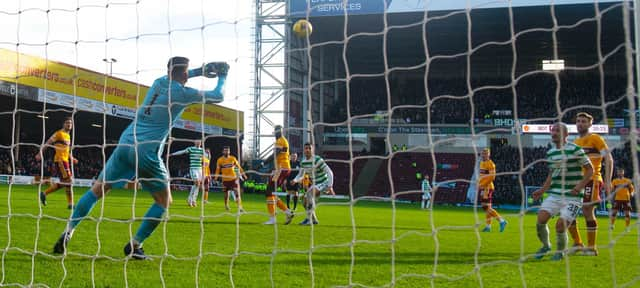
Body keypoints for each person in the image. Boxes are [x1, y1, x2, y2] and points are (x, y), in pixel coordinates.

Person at [51, 57, 229, 259]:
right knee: (164, 201)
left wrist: (201, 71)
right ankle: (135, 245)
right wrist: (223, 75)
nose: (189, 75)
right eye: (187, 73)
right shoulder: (181, 93)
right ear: (182, 73)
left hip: (126, 141)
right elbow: (218, 95)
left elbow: (180, 74)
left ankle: (68, 231)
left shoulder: (159, 82)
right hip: (146, 151)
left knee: (97, 190)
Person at [532, 122, 593, 261]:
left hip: (573, 196)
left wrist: (579, 186)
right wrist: (542, 190)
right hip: (555, 194)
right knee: (540, 220)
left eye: (557, 131)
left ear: (566, 134)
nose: (554, 133)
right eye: (552, 131)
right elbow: (552, 174)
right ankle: (546, 245)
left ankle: (560, 252)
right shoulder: (551, 152)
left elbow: (590, 170)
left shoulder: (575, 149)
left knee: (560, 226)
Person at [569, 112, 614, 255]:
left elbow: (609, 159)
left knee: (587, 210)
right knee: (568, 212)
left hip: (592, 179)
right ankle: (577, 243)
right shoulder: (575, 142)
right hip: (577, 181)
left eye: (583, 121)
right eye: (578, 121)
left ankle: (591, 248)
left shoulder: (595, 138)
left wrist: (607, 181)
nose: (580, 123)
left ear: (590, 124)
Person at [36, 117, 79, 209]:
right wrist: (40, 153)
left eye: (70, 123)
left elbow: (66, 151)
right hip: (60, 161)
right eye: (67, 123)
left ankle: (69, 204)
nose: (69, 125)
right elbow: (47, 143)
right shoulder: (59, 134)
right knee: (69, 181)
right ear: (63, 124)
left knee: (66, 182)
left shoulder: (68, 136)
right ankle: (69, 203)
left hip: (65, 161)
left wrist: (72, 158)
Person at [292, 143, 335, 225]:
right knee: (304, 201)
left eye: (309, 148)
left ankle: (308, 220)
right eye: (306, 148)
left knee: (309, 193)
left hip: (324, 183)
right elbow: (300, 175)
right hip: (315, 185)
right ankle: (314, 219)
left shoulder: (318, 160)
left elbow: (329, 172)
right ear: (304, 150)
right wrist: (295, 180)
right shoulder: (303, 162)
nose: (307, 150)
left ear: (312, 150)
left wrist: (330, 186)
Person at [263, 125, 295, 225]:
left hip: (282, 168)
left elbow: (275, 154)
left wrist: (263, 163)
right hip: (282, 169)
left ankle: (273, 218)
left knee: (269, 191)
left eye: (279, 131)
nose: (277, 133)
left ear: (281, 132)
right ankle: (288, 212)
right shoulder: (283, 140)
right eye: (277, 131)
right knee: (271, 192)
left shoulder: (280, 141)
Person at [477, 148, 507, 232]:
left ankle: (502, 221)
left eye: (485, 153)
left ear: (488, 155)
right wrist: (479, 183)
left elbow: (492, 177)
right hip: (483, 186)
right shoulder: (482, 163)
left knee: (485, 206)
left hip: (487, 187)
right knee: (487, 208)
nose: (483, 155)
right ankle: (488, 226)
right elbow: (482, 175)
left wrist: (482, 184)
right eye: (482, 153)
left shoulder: (491, 164)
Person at [170, 140, 205, 207]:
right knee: (197, 182)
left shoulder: (202, 150)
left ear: (201, 143)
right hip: (193, 169)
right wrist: (172, 154)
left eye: (199, 142)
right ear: (194, 143)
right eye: (197, 142)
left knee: (198, 184)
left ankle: (193, 200)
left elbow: (207, 157)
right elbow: (182, 152)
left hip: (200, 169)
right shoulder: (191, 148)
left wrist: (208, 155)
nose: (198, 143)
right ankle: (190, 199)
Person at [213, 146, 247, 212]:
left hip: (233, 179)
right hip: (225, 180)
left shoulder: (233, 158)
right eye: (225, 150)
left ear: (229, 151)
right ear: (223, 152)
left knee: (236, 192)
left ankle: (240, 207)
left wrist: (244, 174)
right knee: (226, 194)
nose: (227, 152)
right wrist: (216, 177)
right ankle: (226, 205)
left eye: (228, 150)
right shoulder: (220, 160)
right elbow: (217, 170)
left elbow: (239, 167)